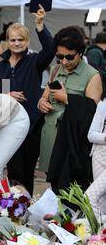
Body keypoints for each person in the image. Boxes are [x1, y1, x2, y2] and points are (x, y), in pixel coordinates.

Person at [0, 6, 54, 195]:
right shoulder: (0, 67)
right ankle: (12, 208)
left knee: (26, 170)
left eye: (21, 40)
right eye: (13, 40)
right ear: (7, 42)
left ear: (27, 41)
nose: (17, 43)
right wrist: (7, 95)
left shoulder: (34, 61)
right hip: (7, 124)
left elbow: (51, 49)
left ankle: (24, 209)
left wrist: (40, 25)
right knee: (12, 170)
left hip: (30, 124)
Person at [38, 26, 103, 174]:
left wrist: (67, 99)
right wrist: (41, 103)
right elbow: (44, 96)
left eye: (69, 57)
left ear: (81, 53)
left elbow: (92, 111)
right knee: (51, 182)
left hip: (71, 141)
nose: (64, 61)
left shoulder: (92, 75)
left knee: (67, 185)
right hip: (50, 134)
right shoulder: (55, 69)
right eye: (60, 57)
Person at [86, 91, 106, 217]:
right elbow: (91, 135)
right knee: (100, 202)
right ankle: (99, 235)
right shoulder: (103, 104)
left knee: (89, 196)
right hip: (99, 155)